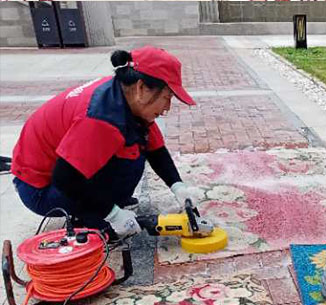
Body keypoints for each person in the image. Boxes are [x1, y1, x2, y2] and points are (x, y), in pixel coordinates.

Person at [10, 46, 200, 240]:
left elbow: (156, 150)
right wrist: (113, 215)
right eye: (166, 97)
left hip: (59, 173)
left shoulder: (125, 95)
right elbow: (65, 178)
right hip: (39, 189)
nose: (167, 107)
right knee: (128, 163)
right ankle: (93, 219)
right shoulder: (101, 117)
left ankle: (105, 203)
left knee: (136, 146)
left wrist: (178, 187)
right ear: (142, 88)